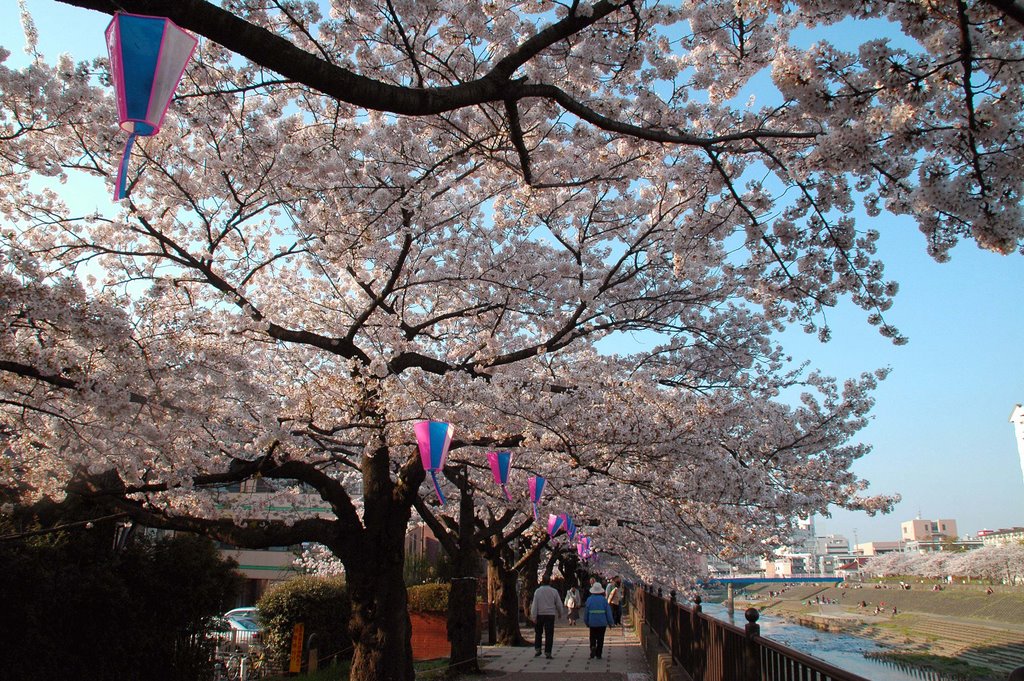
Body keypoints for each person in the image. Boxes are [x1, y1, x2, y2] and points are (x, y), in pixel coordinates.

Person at [530, 576, 565, 659]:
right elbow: (559, 604)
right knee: (549, 634)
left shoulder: (538, 591)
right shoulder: (554, 591)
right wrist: (560, 613)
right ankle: (548, 652)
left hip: (540, 614)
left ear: (542, 582)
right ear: (550, 582)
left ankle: (538, 649)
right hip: (550, 614)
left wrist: (533, 616)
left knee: (538, 633)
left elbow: (534, 605)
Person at [584, 582, 615, 660]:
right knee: (601, 638)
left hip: (592, 622)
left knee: (592, 637)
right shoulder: (604, 600)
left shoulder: (589, 599)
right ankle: (598, 654)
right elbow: (608, 612)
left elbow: (586, 612)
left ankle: (593, 646)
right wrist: (611, 622)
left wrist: (586, 622)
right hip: (602, 622)